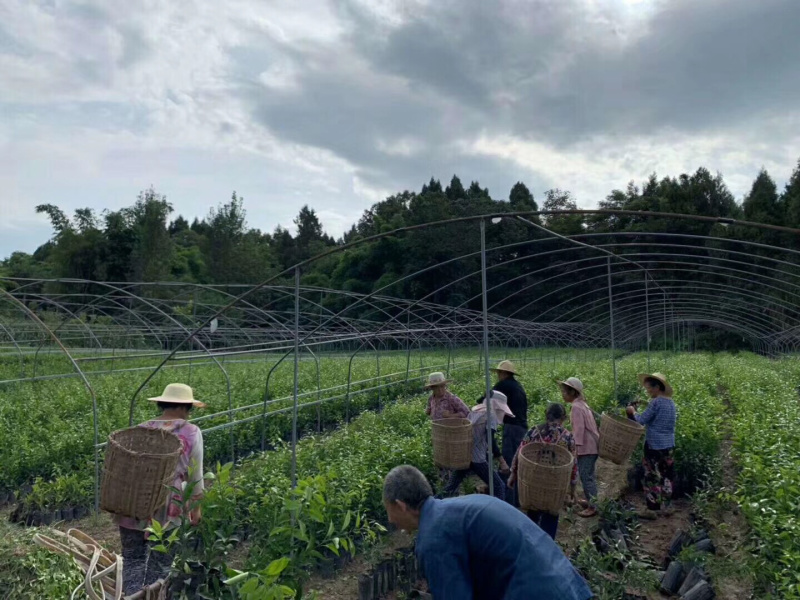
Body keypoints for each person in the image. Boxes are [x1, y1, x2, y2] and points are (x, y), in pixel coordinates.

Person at [383, 465, 593, 600]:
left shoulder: (434, 536)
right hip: (562, 584)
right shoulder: (459, 509)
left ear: (401, 505)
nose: (390, 520)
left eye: (388, 510)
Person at [115, 383, 206, 595]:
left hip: (133, 500)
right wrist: (196, 508)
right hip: (167, 506)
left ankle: (132, 596)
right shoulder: (191, 432)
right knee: (161, 562)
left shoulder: (141, 428)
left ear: (163, 404)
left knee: (133, 558)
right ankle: (153, 596)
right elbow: (195, 474)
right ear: (185, 408)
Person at [507, 403, 578, 540]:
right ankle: (546, 548)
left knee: (533, 513)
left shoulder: (534, 431)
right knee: (551, 515)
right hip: (555, 485)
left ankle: (531, 545)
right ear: (563, 418)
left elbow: (520, 453)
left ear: (546, 415)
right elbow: (573, 465)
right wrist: (572, 489)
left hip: (534, 482)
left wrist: (513, 474)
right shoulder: (567, 437)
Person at [439, 391, 512, 502]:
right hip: (478, 459)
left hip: (466, 455)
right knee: (498, 487)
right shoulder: (490, 415)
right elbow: (490, 440)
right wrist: (502, 461)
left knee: (450, 488)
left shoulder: (475, 411)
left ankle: (431, 504)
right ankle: (498, 514)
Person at [626, 372, 677, 515]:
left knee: (651, 476)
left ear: (656, 387)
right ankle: (667, 507)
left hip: (654, 445)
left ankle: (652, 509)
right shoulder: (670, 403)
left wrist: (632, 411)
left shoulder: (656, 402)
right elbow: (658, 417)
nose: (647, 391)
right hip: (669, 445)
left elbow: (641, 420)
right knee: (667, 476)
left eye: (648, 388)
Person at [479, 360, 527, 505]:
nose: (498, 375)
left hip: (512, 428)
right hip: (522, 427)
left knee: (507, 464)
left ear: (505, 373)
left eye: (499, 373)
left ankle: (507, 501)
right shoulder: (517, 386)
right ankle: (518, 499)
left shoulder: (503, 385)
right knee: (517, 464)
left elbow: (485, 398)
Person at [561, 377, 600, 518]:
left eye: (565, 391)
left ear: (572, 392)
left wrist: (574, 449)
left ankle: (593, 507)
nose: (563, 394)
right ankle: (591, 501)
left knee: (586, 476)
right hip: (591, 446)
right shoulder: (582, 404)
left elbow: (579, 431)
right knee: (588, 475)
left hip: (586, 447)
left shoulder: (576, 408)